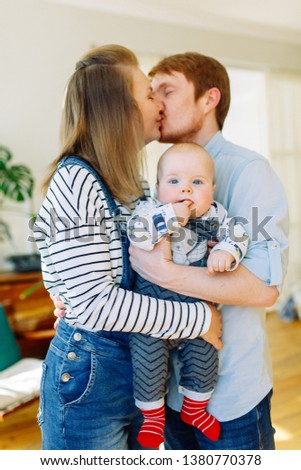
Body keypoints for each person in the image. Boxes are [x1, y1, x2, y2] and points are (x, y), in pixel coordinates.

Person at [33, 45, 222, 450]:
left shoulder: (130, 184)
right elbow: (94, 305)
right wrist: (198, 320)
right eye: (148, 93)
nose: (158, 103)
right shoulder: (77, 181)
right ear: (119, 108)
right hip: (90, 381)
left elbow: (57, 253)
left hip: (132, 368)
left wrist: (62, 288)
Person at [129, 52, 289, 450]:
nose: (157, 102)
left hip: (230, 397)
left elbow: (262, 288)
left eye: (168, 89)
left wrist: (165, 273)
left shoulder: (249, 171)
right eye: (153, 92)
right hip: (166, 395)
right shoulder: (158, 179)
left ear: (209, 99)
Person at [127, 142, 249, 448]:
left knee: (206, 357)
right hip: (152, 315)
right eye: (174, 182)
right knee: (147, 362)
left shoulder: (215, 214)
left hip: (197, 315)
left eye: (197, 182)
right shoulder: (149, 211)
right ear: (157, 188)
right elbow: (138, 234)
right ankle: (153, 417)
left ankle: (195, 408)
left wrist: (226, 251)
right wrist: (171, 216)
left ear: (212, 188)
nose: (186, 190)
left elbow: (239, 232)